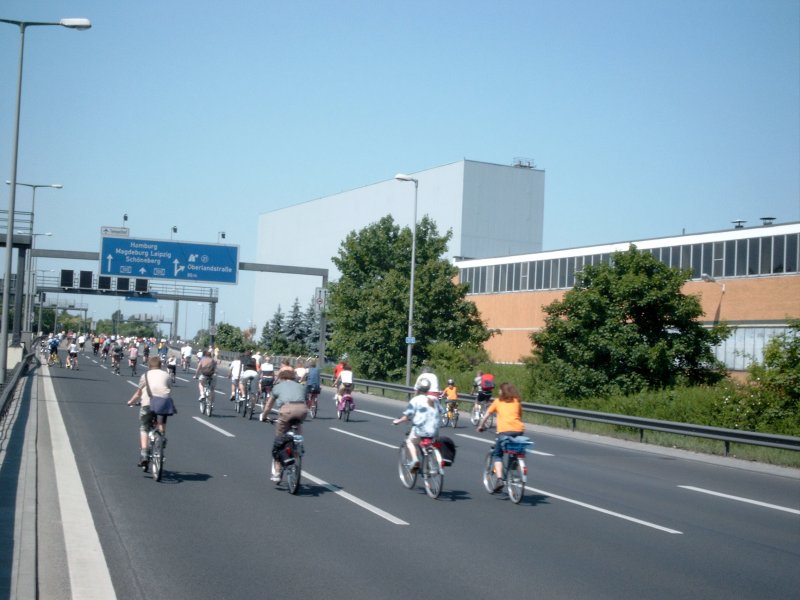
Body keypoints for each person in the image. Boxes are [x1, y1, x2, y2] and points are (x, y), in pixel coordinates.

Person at [477, 382, 525, 490]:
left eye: (499, 390)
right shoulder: (517, 401)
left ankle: (499, 479)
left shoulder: (498, 402)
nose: (498, 392)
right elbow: (520, 416)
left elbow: (486, 415)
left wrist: (480, 426)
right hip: (519, 431)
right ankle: (514, 469)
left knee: (498, 455)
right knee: (514, 452)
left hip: (504, 432)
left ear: (503, 391)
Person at [262, 368, 308, 480]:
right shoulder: (301, 386)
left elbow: (268, 406)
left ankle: (277, 472)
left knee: (279, 441)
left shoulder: (278, 387)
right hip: (302, 409)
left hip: (287, 410)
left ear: (281, 378)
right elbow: (306, 401)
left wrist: (264, 416)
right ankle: (298, 447)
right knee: (297, 426)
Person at [127, 356, 174, 467]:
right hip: (164, 403)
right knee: (162, 421)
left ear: (149, 366)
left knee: (144, 427)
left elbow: (138, 393)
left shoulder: (145, 375)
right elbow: (169, 388)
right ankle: (161, 438)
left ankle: (144, 454)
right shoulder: (166, 375)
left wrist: (130, 402)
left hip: (148, 404)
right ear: (160, 365)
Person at [392, 378, 442, 470]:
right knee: (430, 445)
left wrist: (397, 421)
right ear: (428, 388)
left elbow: (406, 417)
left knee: (410, 441)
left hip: (420, 431)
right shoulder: (435, 399)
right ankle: (430, 463)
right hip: (434, 430)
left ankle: (415, 460)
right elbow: (441, 411)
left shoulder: (415, 400)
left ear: (418, 388)